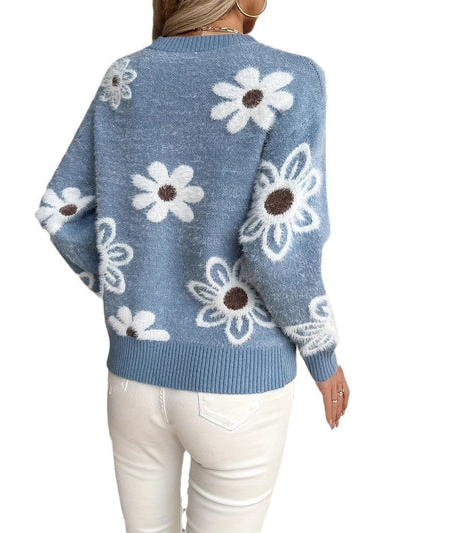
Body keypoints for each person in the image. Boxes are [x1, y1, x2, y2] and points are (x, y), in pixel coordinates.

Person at [35, 0, 350, 531]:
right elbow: (277, 246)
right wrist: (323, 354)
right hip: (238, 383)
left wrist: (136, 288)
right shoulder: (292, 80)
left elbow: (61, 212)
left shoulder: (125, 76)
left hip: (132, 380)